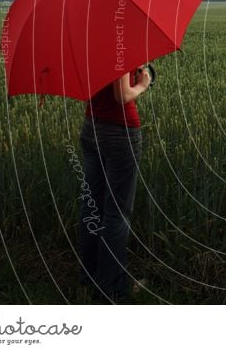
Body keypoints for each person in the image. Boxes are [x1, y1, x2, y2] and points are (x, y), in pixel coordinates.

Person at [78, 64, 151, 302]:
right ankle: (112, 288)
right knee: (117, 213)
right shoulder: (119, 38)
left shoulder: (85, 37)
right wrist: (141, 84)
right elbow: (121, 96)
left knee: (91, 206)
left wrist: (131, 68)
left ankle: (88, 276)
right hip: (120, 133)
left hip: (91, 127)